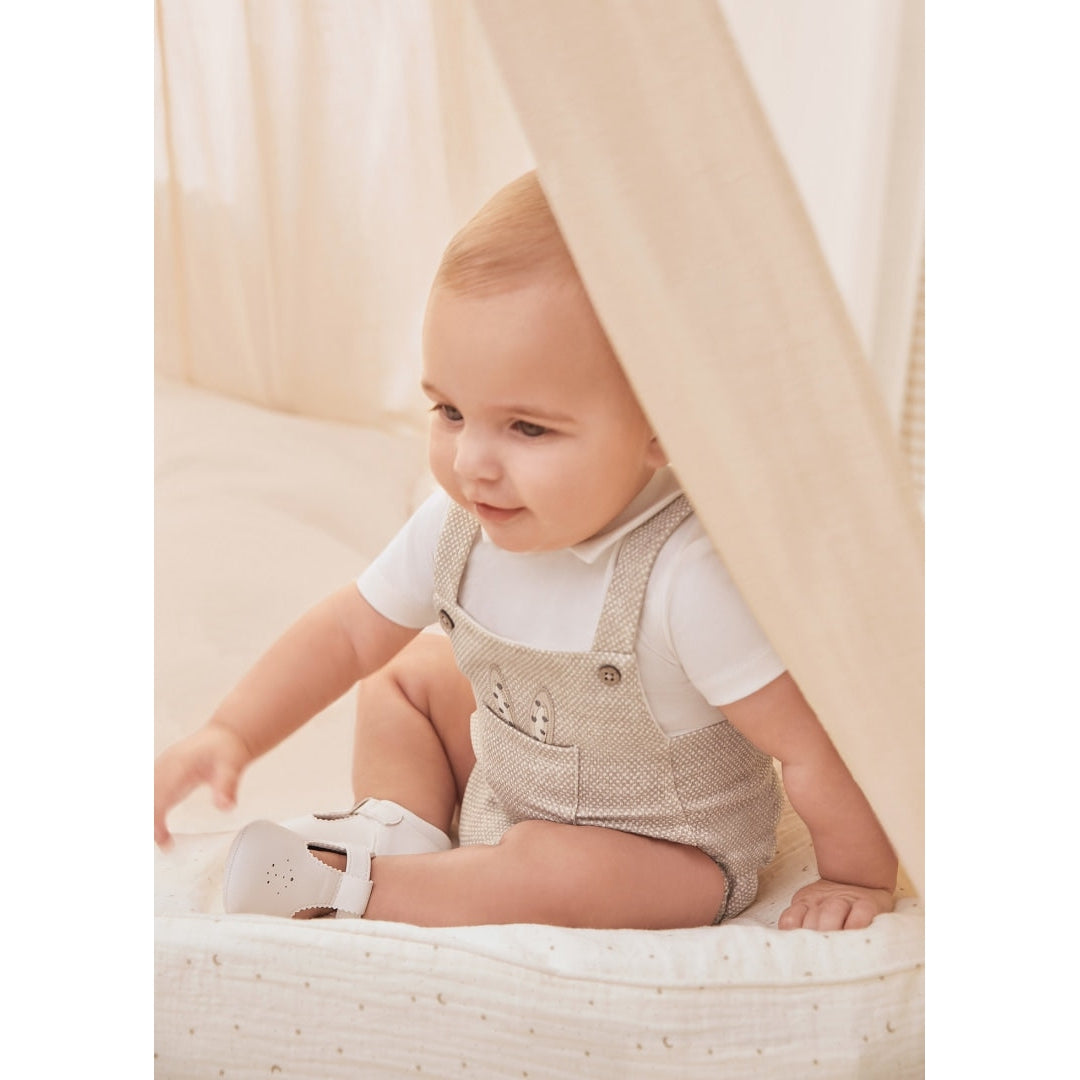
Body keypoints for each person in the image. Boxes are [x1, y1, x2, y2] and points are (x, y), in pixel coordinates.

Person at [154, 171, 897, 932]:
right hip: (507, 786)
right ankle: (400, 826)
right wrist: (231, 731)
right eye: (450, 411)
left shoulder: (688, 577)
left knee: (552, 863)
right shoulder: (456, 527)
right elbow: (346, 634)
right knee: (401, 679)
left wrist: (859, 877)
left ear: (661, 426)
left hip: (661, 855)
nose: (471, 462)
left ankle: (364, 890)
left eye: (528, 428)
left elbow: (808, 747)